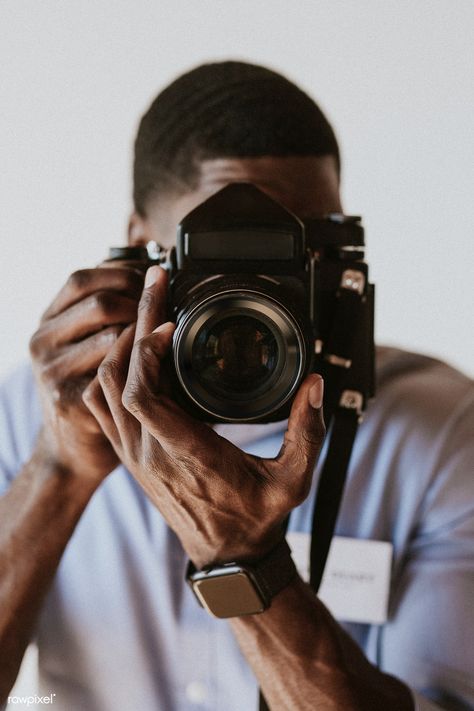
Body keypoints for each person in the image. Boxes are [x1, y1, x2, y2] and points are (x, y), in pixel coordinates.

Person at [0, 61, 473, 711]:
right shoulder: (32, 410)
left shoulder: (443, 430)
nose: (258, 297)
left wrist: (245, 559)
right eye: (222, 258)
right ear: (141, 250)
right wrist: (59, 467)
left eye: (295, 254)